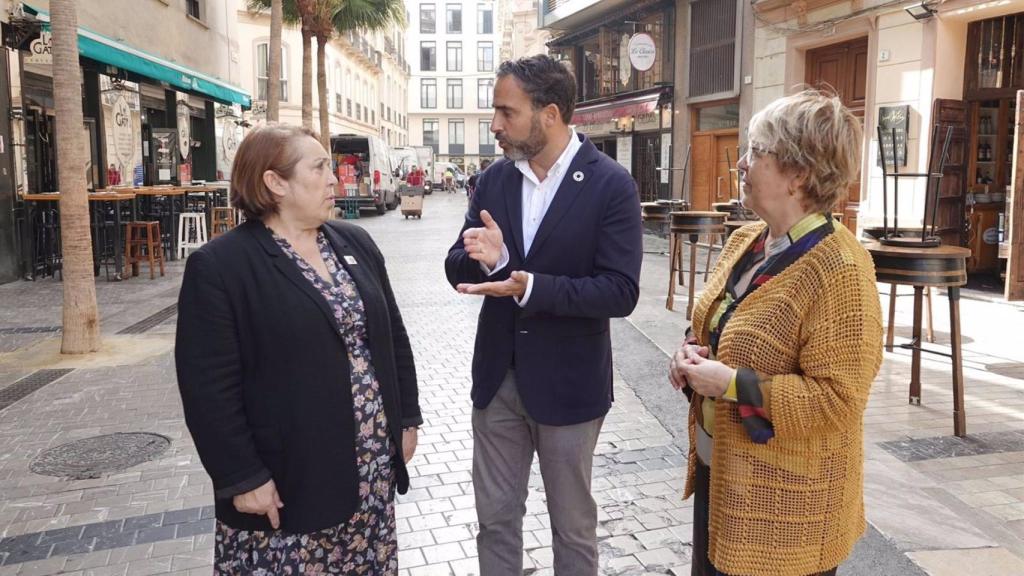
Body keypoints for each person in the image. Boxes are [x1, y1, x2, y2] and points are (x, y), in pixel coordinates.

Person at [175, 124, 422, 575]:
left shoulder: (355, 243)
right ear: (275, 182)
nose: (335, 179)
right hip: (285, 488)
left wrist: (406, 417)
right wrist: (242, 477)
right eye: (320, 167)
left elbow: (392, 339)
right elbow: (207, 390)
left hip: (366, 477)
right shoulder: (221, 267)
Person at [668, 90, 883, 576]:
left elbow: (838, 401)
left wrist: (726, 383)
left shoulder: (841, 269)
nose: (742, 163)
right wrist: (689, 355)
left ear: (799, 174)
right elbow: (717, 326)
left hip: (791, 514)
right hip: (722, 478)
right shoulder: (747, 239)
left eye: (757, 151)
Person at [445, 55, 642, 576]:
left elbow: (620, 292)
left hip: (570, 387)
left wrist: (529, 285)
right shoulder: (493, 182)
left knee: (572, 529)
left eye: (506, 112)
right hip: (498, 382)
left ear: (549, 113)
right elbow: (457, 265)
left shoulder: (611, 185)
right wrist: (489, 258)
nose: (494, 125)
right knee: (495, 521)